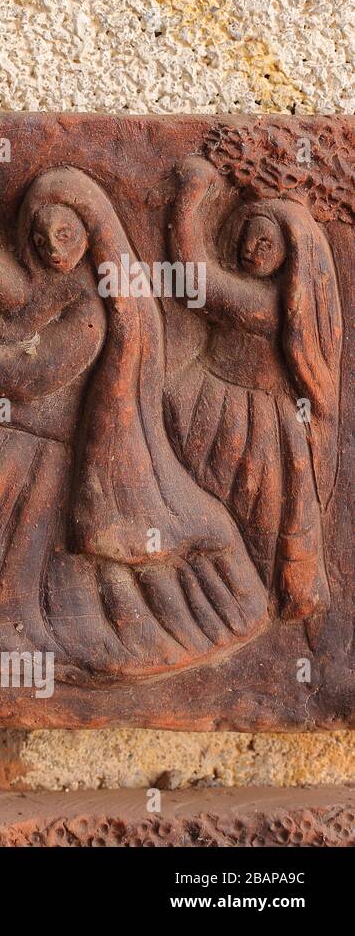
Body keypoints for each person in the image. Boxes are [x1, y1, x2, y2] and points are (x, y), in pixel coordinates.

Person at [0, 126, 271, 680]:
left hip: (43, 455)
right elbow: (14, 292)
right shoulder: (67, 285)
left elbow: (21, 375)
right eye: (39, 238)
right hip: (15, 434)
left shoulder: (92, 313)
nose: (52, 248)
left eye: (64, 234)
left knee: (29, 589)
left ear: (91, 233)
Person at [165, 155, 339, 625]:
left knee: (250, 515)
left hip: (250, 422)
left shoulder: (266, 305)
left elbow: (191, 275)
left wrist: (191, 196)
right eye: (248, 237)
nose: (251, 248)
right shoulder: (260, 295)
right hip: (219, 404)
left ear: (291, 256)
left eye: (266, 243)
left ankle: (249, 607)